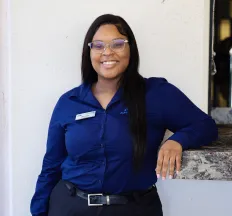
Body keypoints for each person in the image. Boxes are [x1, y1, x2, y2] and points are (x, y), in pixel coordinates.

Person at [30, 14, 218, 216]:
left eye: (118, 44)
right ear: (89, 52)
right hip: (70, 207)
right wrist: (38, 211)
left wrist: (178, 140)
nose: (107, 52)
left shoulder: (157, 93)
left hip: (134, 209)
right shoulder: (69, 102)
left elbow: (205, 125)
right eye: (98, 45)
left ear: (131, 49)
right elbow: (51, 166)